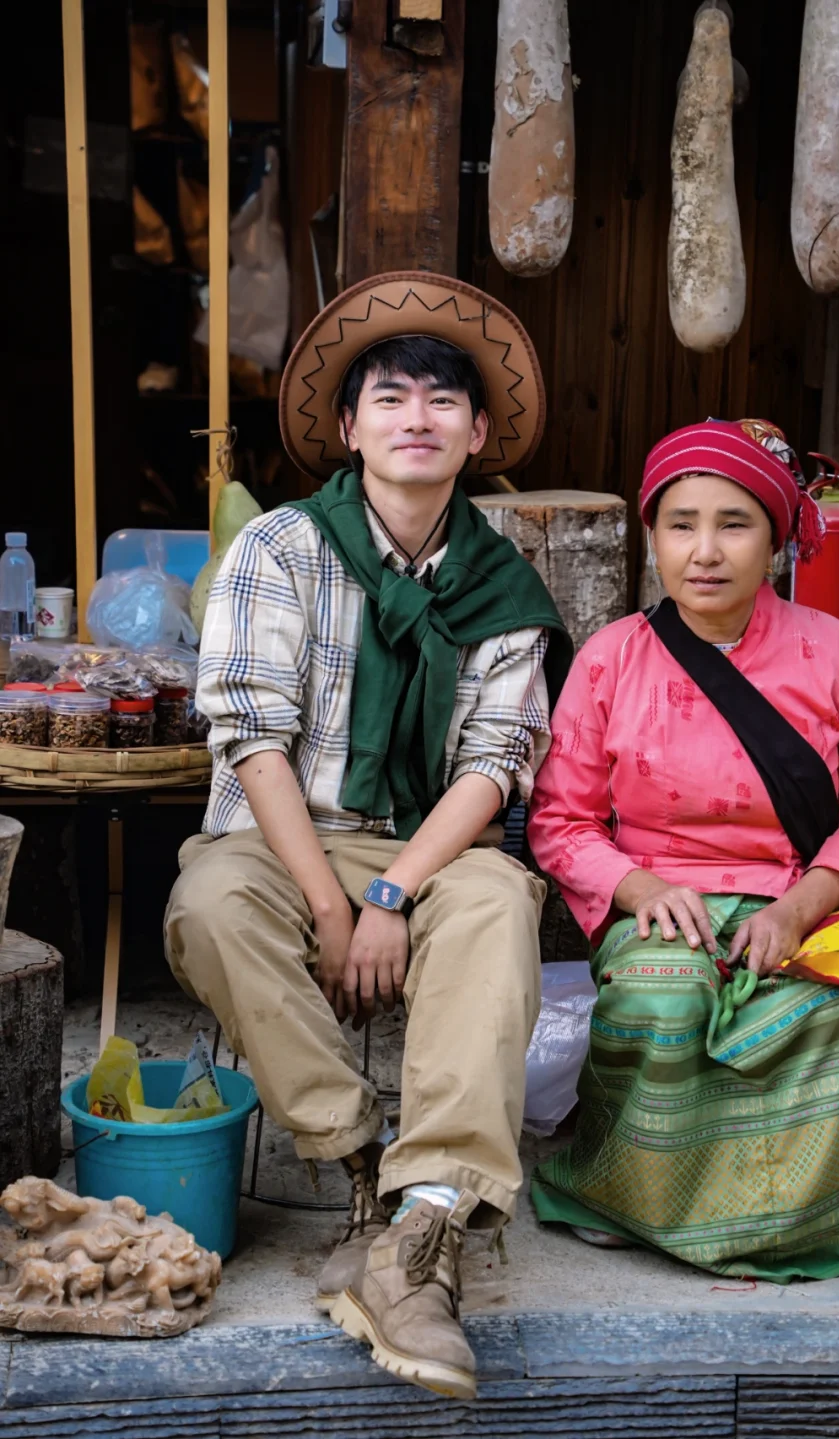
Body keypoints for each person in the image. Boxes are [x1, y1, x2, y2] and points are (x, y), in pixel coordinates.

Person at [164, 273, 572, 1399]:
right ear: (349, 429)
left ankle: (424, 1223)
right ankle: (359, 1166)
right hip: (288, 837)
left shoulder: (500, 582)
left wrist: (392, 892)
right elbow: (252, 743)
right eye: (389, 398)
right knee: (207, 905)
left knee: (498, 900)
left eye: (444, 404)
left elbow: (495, 766)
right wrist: (338, 906)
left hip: (423, 849)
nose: (417, 418)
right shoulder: (283, 549)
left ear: (479, 434)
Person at [526, 418, 839, 1280]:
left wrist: (800, 907)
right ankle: (627, 1186)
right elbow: (561, 820)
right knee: (661, 1014)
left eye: (733, 523)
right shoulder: (610, 660)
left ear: (777, 540)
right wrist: (635, 888)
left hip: (799, 896)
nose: (704, 551)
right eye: (681, 523)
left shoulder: (832, 653)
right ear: (652, 536)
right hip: (665, 903)